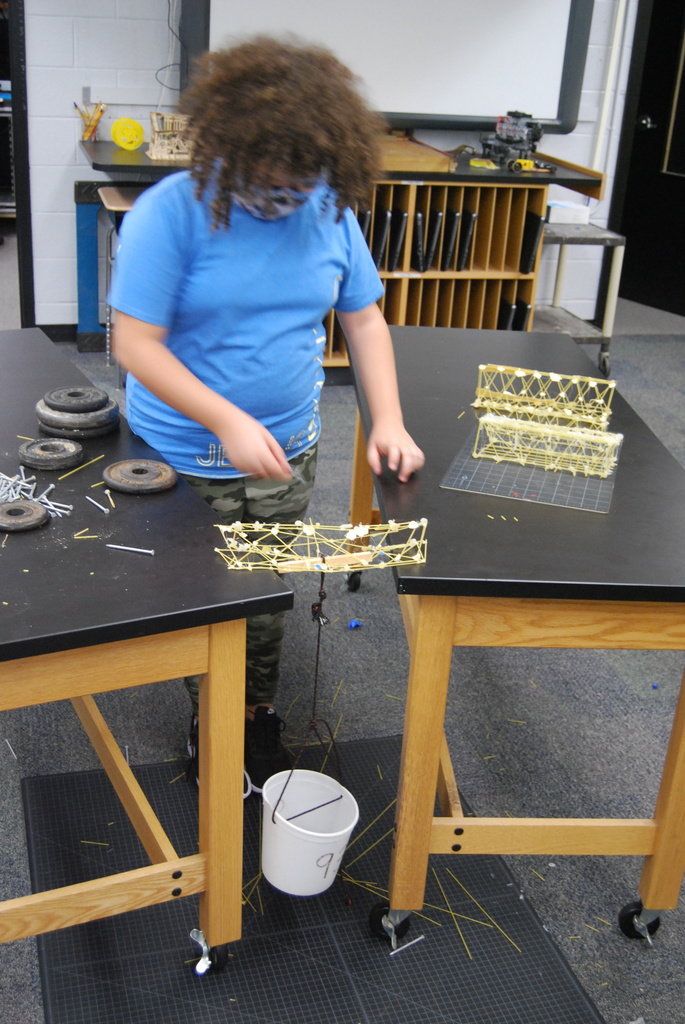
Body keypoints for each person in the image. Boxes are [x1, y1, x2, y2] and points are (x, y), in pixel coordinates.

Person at [109, 35, 425, 794]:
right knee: (200, 600)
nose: (282, 203)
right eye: (266, 187)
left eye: (297, 189)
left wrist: (387, 421)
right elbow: (134, 343)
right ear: (227, 150)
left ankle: (250, 712)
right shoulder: (171, 214)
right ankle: (208, 717)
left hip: (287, 446)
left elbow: (365, 320)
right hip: (185, 453)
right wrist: (222, 419)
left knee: (263, 593)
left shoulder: (328, 206)